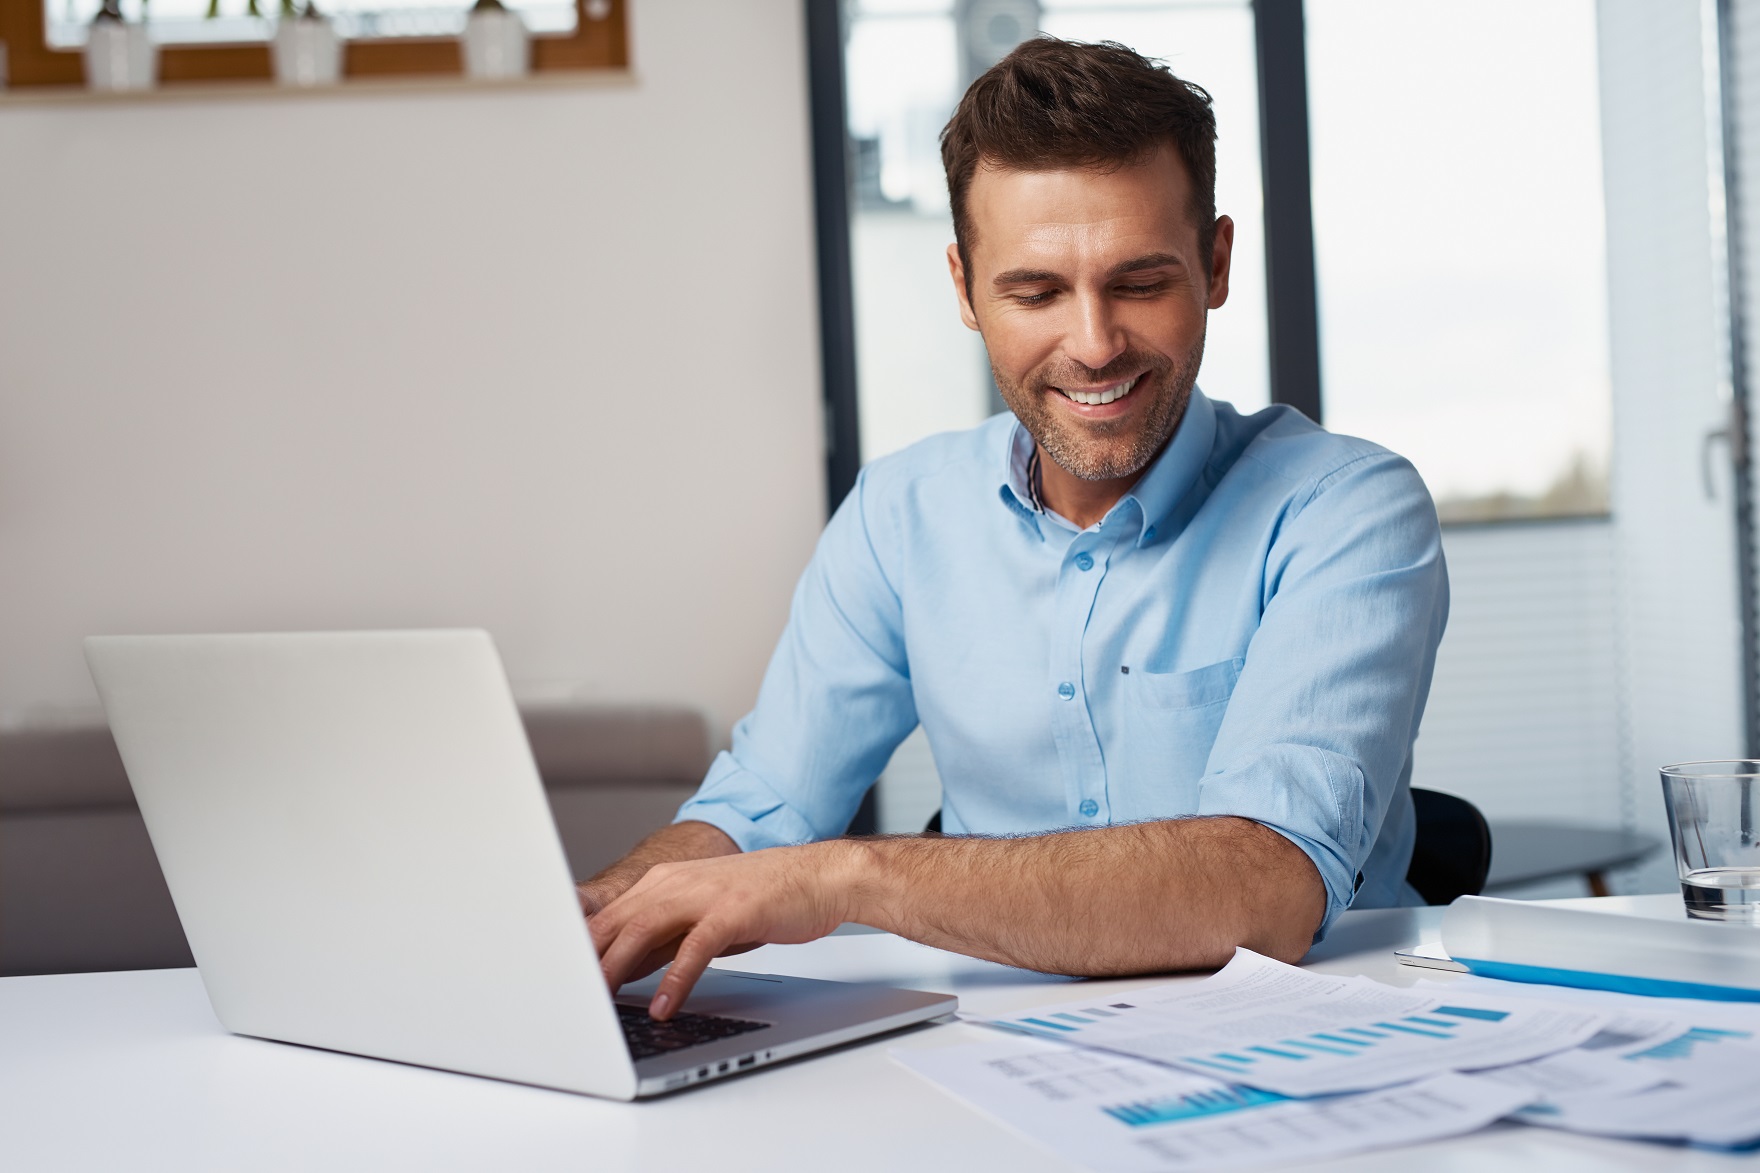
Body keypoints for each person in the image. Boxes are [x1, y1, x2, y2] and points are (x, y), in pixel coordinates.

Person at [583, 37, 1448, 1021]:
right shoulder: (900, 515)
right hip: (999, 1050)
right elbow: (756, 811)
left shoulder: (1343, 509)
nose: (1091, 345)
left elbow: (1260, 890)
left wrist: (848, 877)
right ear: (962, 288)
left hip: (1312, 1037)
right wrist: (598, 917)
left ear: (1213, 264)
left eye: (1137, 283)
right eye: (1034, 292)